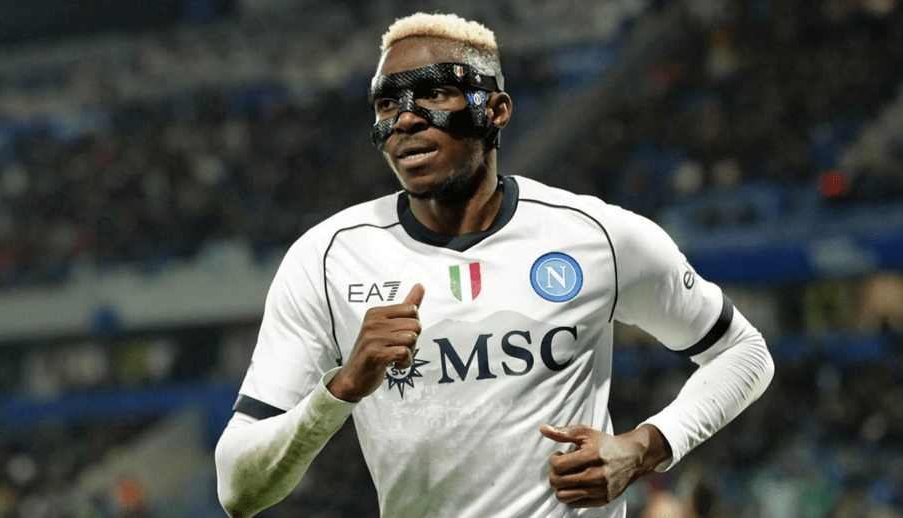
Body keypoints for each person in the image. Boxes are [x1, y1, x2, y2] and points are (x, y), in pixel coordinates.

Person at [214, 12, 774, 518]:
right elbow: (238, 489)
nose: (405, 119)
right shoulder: (326, 259)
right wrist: (340, 389)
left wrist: (646, 446)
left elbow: (744, 353)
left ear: (496, 110)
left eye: (433, 94)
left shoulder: (598, 236)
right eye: (386, 104)